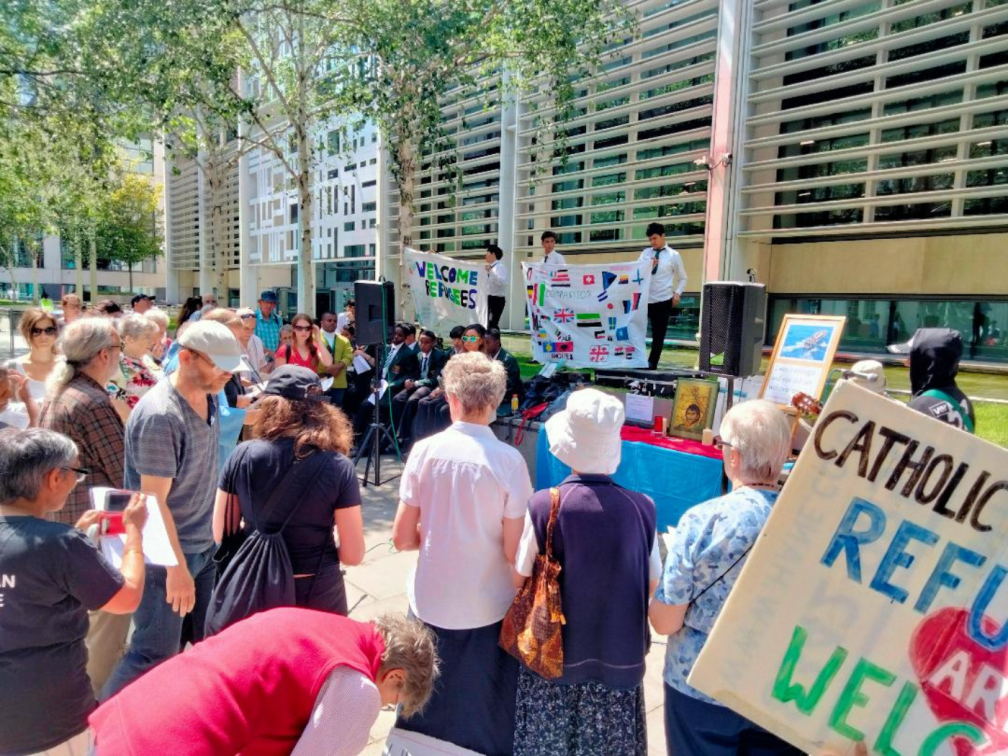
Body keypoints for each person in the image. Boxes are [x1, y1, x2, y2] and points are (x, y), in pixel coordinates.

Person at [392, 353, 533, 755]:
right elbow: (513, 549)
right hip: (486, 603)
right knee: (481, 706)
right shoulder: (509, 461)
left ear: (451, 397)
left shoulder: (424, 451)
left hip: (430, 597)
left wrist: (437, 535)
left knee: (422, 699)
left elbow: (402, 537)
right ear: (496, 401)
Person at [512, 389, 660, 756]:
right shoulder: (642, 508)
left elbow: (519, 577)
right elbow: (652, 582)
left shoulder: (544, 504)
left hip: (554, 656)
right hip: (619, 656)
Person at [649, 399, 799, 756]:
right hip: (780, 688)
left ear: (733, 456)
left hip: (701, 685)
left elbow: (666, 622)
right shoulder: (809, 522)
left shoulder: (703, 521)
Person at [102, 320, 244, 698]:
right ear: (186, 357)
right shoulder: (161, 415)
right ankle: (98, 736)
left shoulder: (211, 396)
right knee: (152, 654)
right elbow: (152, 501)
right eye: (220, 366)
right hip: (164, 558)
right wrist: (176, 569)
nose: (228, 375)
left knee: (206, 644)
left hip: (202, 548)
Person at [89, 609, 439, 755]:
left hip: (131, 715)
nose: (382, 708)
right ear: (395, 676)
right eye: (391, 700)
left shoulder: (324, 625)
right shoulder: (358, 688)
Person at [0, 428, 147, 756]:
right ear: (54, 477)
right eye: (76, 475)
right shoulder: (60, 544)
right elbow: (128, 596)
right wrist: (135, 532)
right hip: (47, 719)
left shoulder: (61, 542)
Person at [213, 366, 365, 617]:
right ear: (321, 409)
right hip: (317, 588)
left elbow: (221, 532)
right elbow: (353, 554)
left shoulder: (242, 455)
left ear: (271, 405)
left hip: (256, 584)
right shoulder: (339, 467)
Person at [39, 318, 133, 694]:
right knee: (107, 620)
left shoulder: (62, 392)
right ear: (104, 355)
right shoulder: (92, 401)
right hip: (95, 530)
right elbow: (124, 467)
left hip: (64, 521)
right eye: (117, 349)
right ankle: (91, 704)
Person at [352, 323, 418, 442]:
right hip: (379, 385)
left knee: (379, 411)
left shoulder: (408, 353)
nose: (396, 337)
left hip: (391, 388)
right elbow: (380, 368)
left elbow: (410, 374)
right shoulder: (386, 349)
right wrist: (374, 381)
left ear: (405, 337)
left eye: (400, 335)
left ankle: (369, 445)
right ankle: (357, 439)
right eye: (394, 334)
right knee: (364, 406)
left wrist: (393, 384)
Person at [906, 327, 976, 432]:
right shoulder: (962, 399)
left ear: (926, 360)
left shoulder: (922, 405)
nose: (906, 363)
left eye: (912, 357)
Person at [638, 221, 687, 369]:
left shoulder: (674, 255)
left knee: (658, 336)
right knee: (637, 331)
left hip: (663, 300)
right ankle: (637, 360)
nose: (653, 242)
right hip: (645, 300)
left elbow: (683, 277)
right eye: (650, 239)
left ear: (663, 236)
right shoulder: (645, 253)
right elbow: (636, 272)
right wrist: (647, 266)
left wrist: (677, 293)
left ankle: (652, 364)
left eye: (655, 238)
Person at [389, 329, 447, 449]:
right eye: (421, 342)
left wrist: (417, 383)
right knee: (397, 399)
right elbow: (413, 372)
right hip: (416, 383)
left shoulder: (439, 356)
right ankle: (393, 431)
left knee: (412, 400)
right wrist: (409, 380)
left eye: (427, 342)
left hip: (429, 386)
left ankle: (402, 434)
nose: (423, 345)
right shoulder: (418, 355)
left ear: (433, 343)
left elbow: (435, 379)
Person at [6, 308, 61, 425]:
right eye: (36, 331)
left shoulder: (68, 366)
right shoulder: (12, 367)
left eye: (49, 330)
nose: (43, 336)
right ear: (26, 333)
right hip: (23, 438)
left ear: (56, 332)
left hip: (59, 438)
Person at [112, 314, 161, 410]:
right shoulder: (118, 364)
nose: (152, 342)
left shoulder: (145, 358)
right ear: (129, 339)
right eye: (147, 337)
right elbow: (116, 402)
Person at [318, 310, 354, 406]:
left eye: (335, 321)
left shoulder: (343, 340)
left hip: (339, 382)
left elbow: (349, 356)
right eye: (329, 320)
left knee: (337, 413)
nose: (332, 323)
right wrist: (327, 369)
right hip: (319, 381)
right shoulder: (314, 338)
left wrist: (337, 367)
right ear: (322, 322)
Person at [484, 327, 523, 415]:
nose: (485, 346)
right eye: (483, 343)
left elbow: (508, 388)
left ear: (497, 342)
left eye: (487, 343)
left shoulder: (508, 360)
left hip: (507, 401)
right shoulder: (485, 357)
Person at [0, 365, 39, 429]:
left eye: (9, 389)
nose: (10, 395)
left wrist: (27, 400)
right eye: (3, 393)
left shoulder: (20, 411)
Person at [236, 307, 268, 379]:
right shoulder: (229, 343)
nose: (250, 333)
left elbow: (262, 366)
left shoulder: (257, 341)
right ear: (236, 325)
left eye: (252, 329)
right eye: (246, 328)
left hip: (255, 388)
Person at [485, 244, 508, 330]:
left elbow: (503, 282)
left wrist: (491, 272)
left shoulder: (500, 267)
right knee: (487, 323)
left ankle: (496, 342)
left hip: (496, 299)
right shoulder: (490, 268)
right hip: (489, 298)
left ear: (493, 254)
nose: (485, 255)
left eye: (487, 253)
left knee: (492, 323)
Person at [255, 289, 284, 354]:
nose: (269, 305)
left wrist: (276, 356)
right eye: (267, 302)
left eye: (272, 303)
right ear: (260, 303)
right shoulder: (253, 318)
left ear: (275, 305)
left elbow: (282, 340)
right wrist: (271, 355)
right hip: (259, 359)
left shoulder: (278, 319)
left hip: (276, 359)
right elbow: (252, 343)